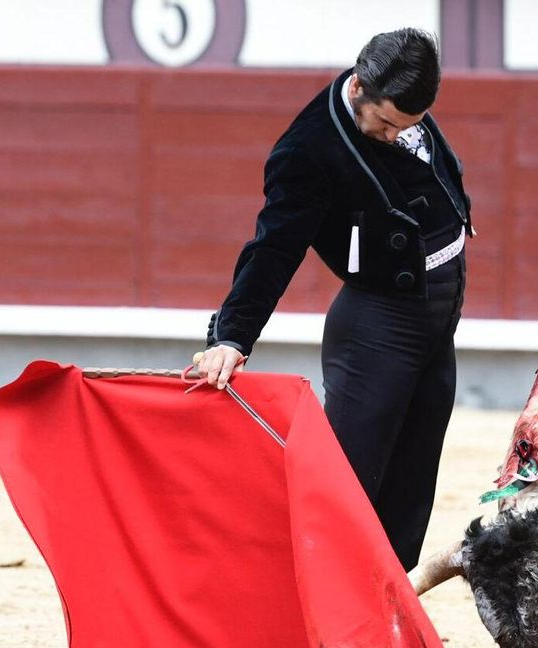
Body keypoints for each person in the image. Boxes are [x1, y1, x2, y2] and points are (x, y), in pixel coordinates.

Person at [195, 28, 473, 572]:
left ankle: (389, 614)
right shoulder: (308, 149)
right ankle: (307, 607)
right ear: (359, 86)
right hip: (378, 330)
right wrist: (232, 334)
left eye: (407, 126)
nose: (394, 136)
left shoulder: (400, 101)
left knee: (411, 490)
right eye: (387, 124)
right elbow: (274, 247)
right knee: (345, 490)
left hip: (436, 322)